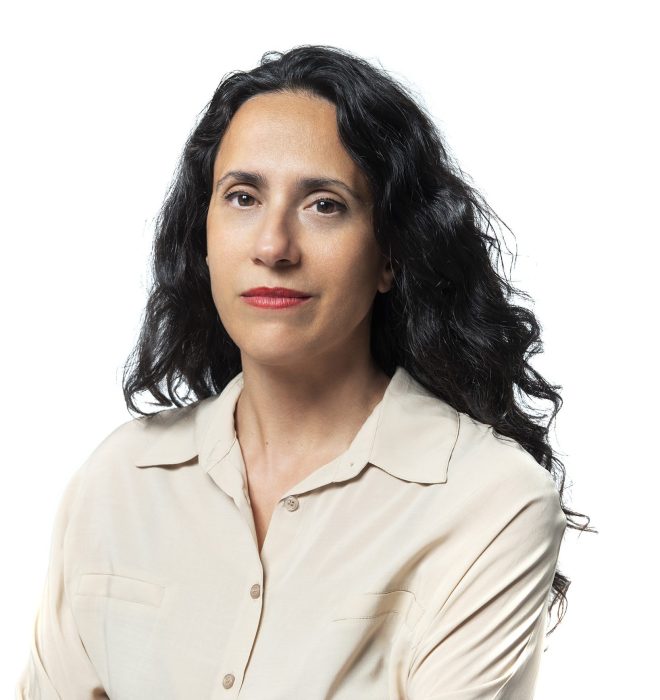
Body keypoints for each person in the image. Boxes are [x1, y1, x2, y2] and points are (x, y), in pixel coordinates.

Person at [16, 44, 592, 699]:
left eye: (324, 205)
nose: (273, 246)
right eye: (242, 197)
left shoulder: (489, 502)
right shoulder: (119, 480)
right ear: (204, 235)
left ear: (390, 254)